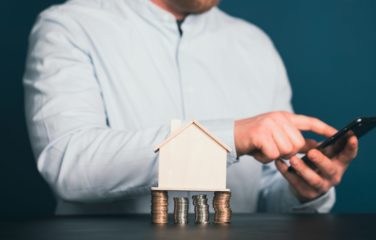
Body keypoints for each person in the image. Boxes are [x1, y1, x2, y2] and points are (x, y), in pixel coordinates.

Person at [23, 0, 358, 215]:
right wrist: (229, 137)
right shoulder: (69, 25)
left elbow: (267, 192)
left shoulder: (255, 44)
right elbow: (68, 162)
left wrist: (304, 192)